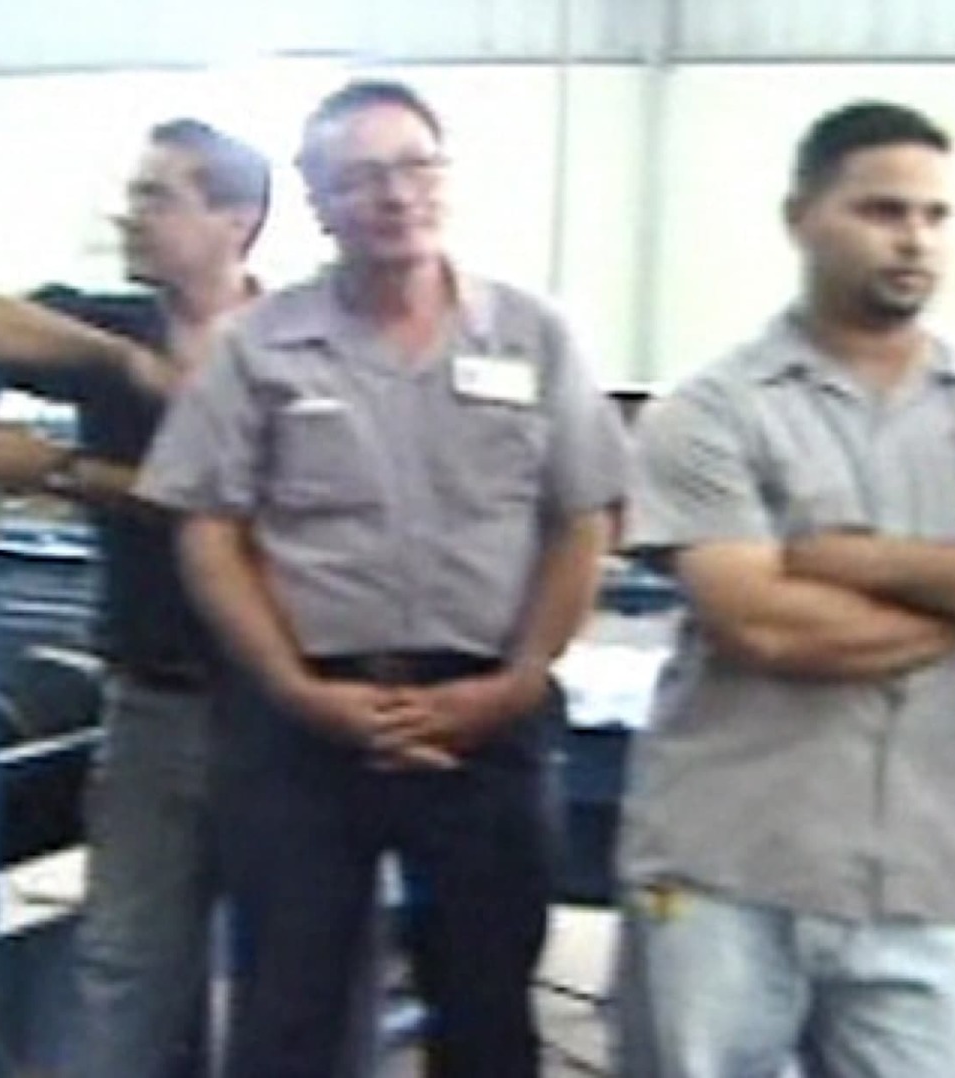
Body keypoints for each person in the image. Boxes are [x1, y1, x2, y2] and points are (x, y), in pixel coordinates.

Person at [612, 100, 955, 1078]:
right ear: (800, 217)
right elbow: (768, 626)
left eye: (935, 216)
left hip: (921, 880)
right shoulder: (709, 414)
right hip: (727, 868)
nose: (914, 240)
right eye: (883, 210)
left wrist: (865, 561)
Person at [139, 79, 630, 1077]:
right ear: (317, 202)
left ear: (446, 179)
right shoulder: (259, 348)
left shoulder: (533, 336)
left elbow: (585, 518)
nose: (395, 195)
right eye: (360, 177)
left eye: (414, 168)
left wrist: (519, 679)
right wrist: (293, 688)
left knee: (487, 1010)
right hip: (304, 731)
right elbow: (209, 531)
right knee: (288, 1014)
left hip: (485, 721)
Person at [0, 117, 269, 1078]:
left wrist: (66, 469)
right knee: (126, 964)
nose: (130, 216)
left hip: (280, 708)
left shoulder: (297, 339)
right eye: (133, 194)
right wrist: (130, 365)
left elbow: (255, 511)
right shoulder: (113, 326)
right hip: (151, 702)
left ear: (236, 220)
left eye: (157, 196)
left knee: (293, 970)